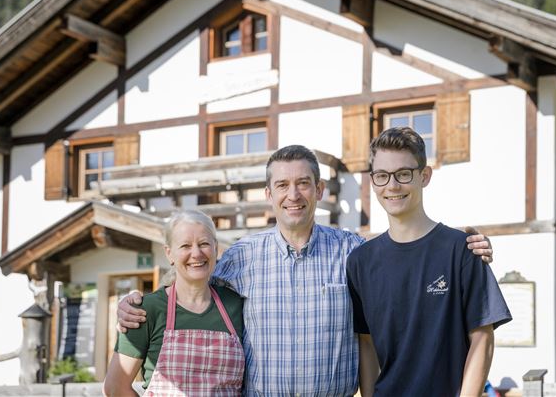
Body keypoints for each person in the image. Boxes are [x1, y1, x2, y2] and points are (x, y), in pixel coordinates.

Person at [118, 145, 494, 396]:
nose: (292, 195)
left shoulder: (354, 252)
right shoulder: (241, 258)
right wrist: (135, 301)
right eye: (282, 185)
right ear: (269, 194)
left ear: (320, 189)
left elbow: (403, 250)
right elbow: (190, 275)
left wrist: (459, 240)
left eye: (302, 184)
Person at [347, 128, 512, 397]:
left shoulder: (462, 249)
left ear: (424, 176)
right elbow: (367, 344)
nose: (392, 186)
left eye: (403, 174)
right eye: (381, 176)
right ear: (372, 181)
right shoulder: (360, 262)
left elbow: (482, 339)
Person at [103, 209, 244, 396]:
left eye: (203, 244)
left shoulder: (236, 305)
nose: (196, 253)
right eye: (185, 246)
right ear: (169, 254)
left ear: (215, 248)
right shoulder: (145, 311)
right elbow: (114, 388)